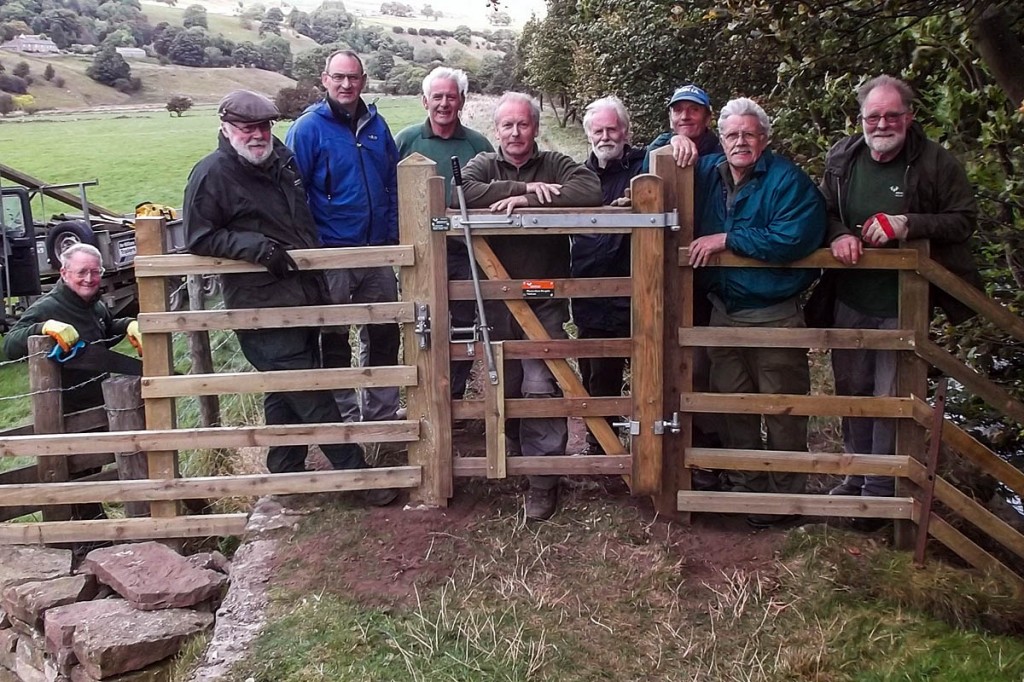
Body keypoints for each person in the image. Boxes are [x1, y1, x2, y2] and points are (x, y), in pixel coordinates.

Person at [183, 89, 396, 505]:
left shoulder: (279, 161)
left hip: (301, 294)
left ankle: (285, 478)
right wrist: (256, 248)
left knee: (285, 389)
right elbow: (198, 235)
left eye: (264, 126)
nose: (258, 134)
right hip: (260, 305)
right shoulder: (213, 174)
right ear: (226, 128)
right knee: (311, 392)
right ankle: (358, 480)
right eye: (248, 128)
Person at [819, 75, 981, 517]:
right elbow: (826, 211)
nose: (883, 123)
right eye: (874, 116)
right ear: (862, 119)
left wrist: (907, 223)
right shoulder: (843, 156)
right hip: (849, 296)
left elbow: (963, 220)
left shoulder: (935, 163)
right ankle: (856, 476)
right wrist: (836, 236)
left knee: (892, 394)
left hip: (903, 302)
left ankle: (880, 488)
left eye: (893, 115)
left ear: (909, 117)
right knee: (852, 388)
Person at [455, 91, 603, 520]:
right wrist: (521, 187)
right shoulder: (485, 162)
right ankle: (517, 457)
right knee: (509, 382)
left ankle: (543, 479)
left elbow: (589, 188)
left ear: (535, 128)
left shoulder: (556, 163)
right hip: (496, 299)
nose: (516, 132)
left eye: (523, 124)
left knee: (541, 384)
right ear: (497, 130)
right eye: (507, 125)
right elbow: (461, 189)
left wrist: (529, 201)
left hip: (542, 295)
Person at [689, 97, 826, 527]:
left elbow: (796, 237)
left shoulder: (787, 181)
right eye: (732, 134)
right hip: (722, 311)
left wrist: (728, 239)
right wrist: (675, 140)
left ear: (764, 139)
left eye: (749, 134)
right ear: (721, 138)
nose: (740, 142)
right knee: (733, 403)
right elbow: (652, 171)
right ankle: (746, 484)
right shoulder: (706, 173)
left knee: (782, 406)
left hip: (774, 313)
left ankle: (787, 497)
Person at [285, 50, 401, 424]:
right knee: (334, 337)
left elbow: (393, 183)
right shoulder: (307, 129)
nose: (346, 84)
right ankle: (344, 418)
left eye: (353, 77)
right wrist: (310, 249)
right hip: (331, 254)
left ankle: (381, 416)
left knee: (384, 331)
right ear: (325, 79)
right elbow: (292, 194)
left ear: (363, 80)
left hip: (377, 252)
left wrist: (393, 236)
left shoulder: (377, 126)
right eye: (339, 77)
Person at [395, 66, 494, 403]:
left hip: (466, 250)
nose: (444, 103)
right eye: (437, 96)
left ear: (462, 101)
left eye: (451, 96)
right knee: (422, 320)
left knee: (464, 321)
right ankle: (422, 395)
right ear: (425, 101)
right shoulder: (406, 140)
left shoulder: (478, 144)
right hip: (420, 252)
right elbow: (388, 191)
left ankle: (452, 395)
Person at [570, 96, 644, 455]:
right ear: (588, 135)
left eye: (611, 128)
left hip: (639, 291)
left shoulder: (645, 168)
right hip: (589, 290)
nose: (605, 136)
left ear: (626, 131)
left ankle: (648, 449)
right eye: (597, 130)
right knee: (598, 374)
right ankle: (603, 446)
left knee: (648, 372)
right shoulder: (577, 177)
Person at [3, 243, 142, 413]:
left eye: (95, 272)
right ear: (64, 273)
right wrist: (43, 327)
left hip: (102, 402)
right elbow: (10, 344)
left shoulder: (94, 304)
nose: (89, 279)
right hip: (67, 411)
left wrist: (129, 324)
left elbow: (105, 328)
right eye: (82, 272)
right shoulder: (47, 307)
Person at [643, 84, 722, 172]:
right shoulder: (659, 146)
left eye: (694, 110)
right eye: (678, 110)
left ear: (707, 118)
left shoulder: (722, 153)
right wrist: (670, 142)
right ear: (670, 119)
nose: (684, 117)